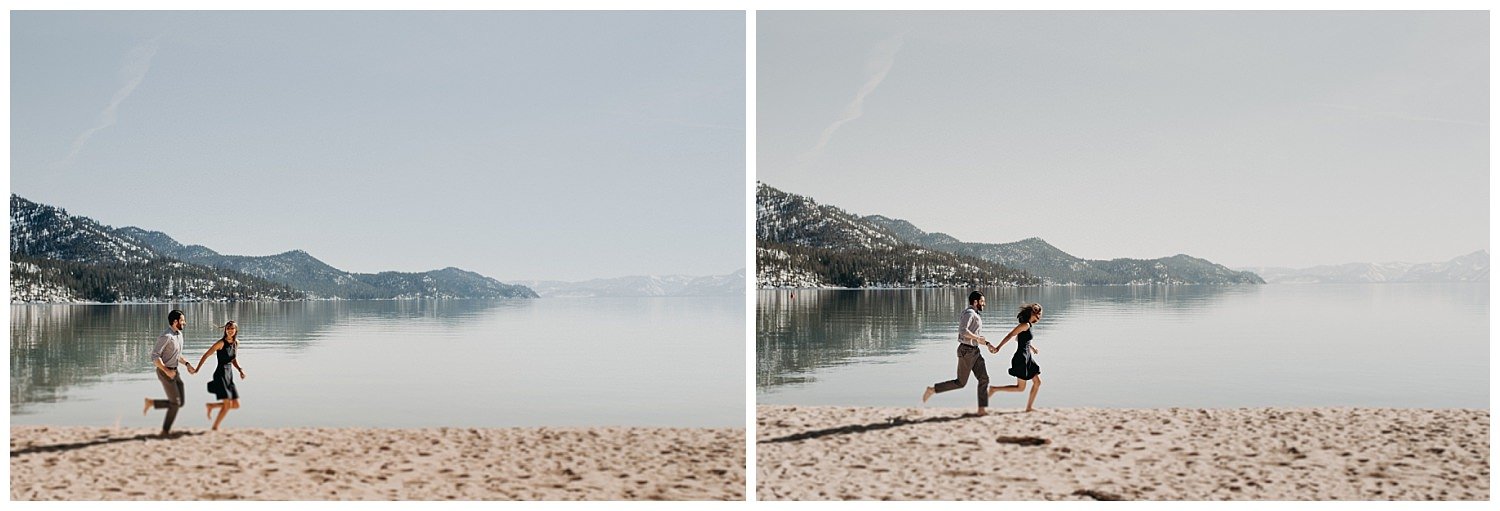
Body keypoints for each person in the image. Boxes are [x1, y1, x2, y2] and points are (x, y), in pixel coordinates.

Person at [922, 291, 996, 415]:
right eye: (982, 301)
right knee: (960, 383)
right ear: (975, 302)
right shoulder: (969, 313)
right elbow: (963, 331)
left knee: (984, 379)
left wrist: (988, 344)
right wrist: (978, 339)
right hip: (966, 351)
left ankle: (981, 410)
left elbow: (974, 336)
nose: (984, 304)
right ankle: (932, 389)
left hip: (975, 351)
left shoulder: (975, 314)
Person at [143, 309, 198, 436]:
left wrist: (188, 365)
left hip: (175, 371)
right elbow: (155, 357)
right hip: (165, 372)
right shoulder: (166, 336)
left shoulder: (179, 335)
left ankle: (151, 403)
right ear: (175, 321)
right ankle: (165, 431)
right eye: (182, 320)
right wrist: (166, 371)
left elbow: (177, 355)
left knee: (181, 402)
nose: (184, 323)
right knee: (175, 403)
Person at [988, 303, 1044, 412]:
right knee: (1020, 388)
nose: (1040, 316)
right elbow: (1010, 335)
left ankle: (1029, 407)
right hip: (1021, 358)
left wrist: (1032, 348)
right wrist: (998, 347)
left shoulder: (1028, 325)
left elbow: (1020, 339)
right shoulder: (1025, 325)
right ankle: (994, 389)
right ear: (1034, 313)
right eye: (1039, 314)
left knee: (1037, 382)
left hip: (1028, 357)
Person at [196, 320, 246, 431]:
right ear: (225, 330)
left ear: (236, 330)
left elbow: (233, 359)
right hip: (221, 374)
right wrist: (197, 369)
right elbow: (206, 355)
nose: (230, 330)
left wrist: (240, 370)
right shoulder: (221, 343)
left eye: (232, 328)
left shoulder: (236, 343)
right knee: (227, 405)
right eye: (228, 328)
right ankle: (215, 427)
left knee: (236, 405)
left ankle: (211, 406)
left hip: (229, 375)